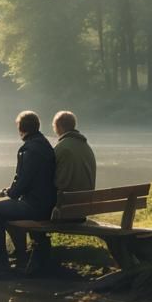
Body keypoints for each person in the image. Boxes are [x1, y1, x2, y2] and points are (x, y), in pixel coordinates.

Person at [0, 110, 56, 279]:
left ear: (21, 129)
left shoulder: (29, 149)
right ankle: (18, 255)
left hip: (34, 207)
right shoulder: (45, 145)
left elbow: (21, 183)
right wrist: (8, 193)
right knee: (0, 207)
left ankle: (1, 263)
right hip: (46, 204)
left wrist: (6, 193)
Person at [25, 110, 98, 274]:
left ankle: (38, 249)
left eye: (54, 126)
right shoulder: (86, 147)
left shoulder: (61, 148)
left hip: (66, 211)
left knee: (30, 208)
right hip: (82, 209)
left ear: (58, 127)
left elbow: (51, 179)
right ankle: (37, 251)